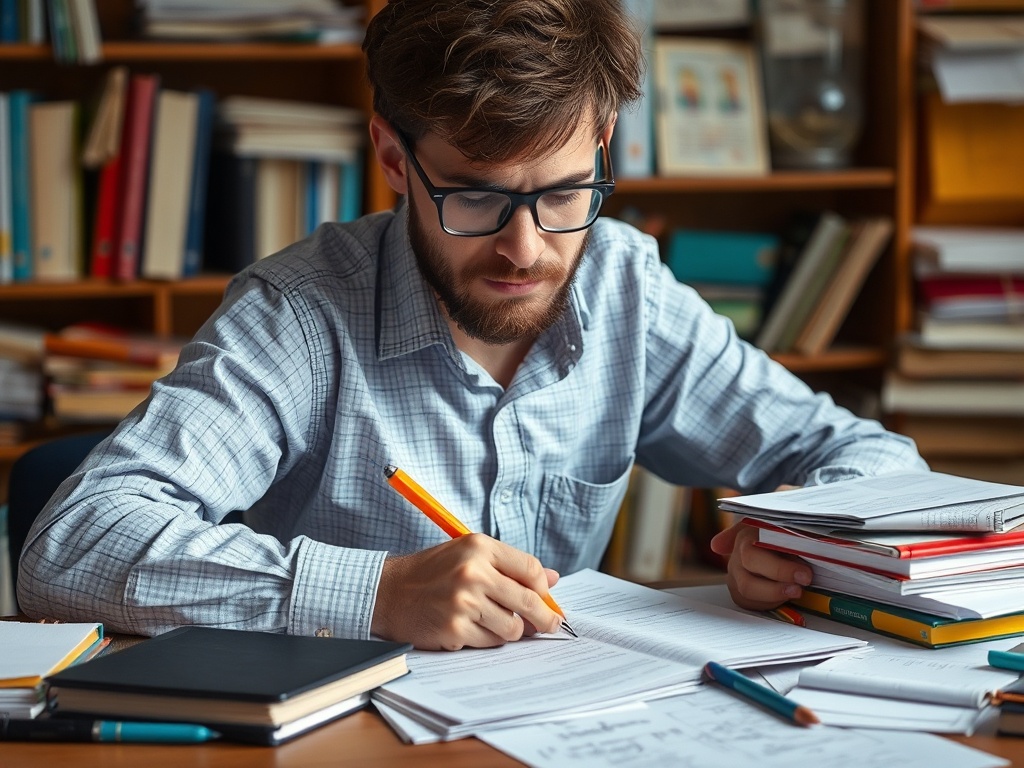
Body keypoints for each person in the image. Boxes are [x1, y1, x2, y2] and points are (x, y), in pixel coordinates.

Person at [17, 0, 926, 650]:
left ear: (603, 141)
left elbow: (876, 462)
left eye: (566, 193)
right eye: (477, 198)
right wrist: (375, 591)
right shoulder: (300, 316)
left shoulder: (624, 291)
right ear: (392, 158)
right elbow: (73, 549)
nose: (526, 249)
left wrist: (804, 540)